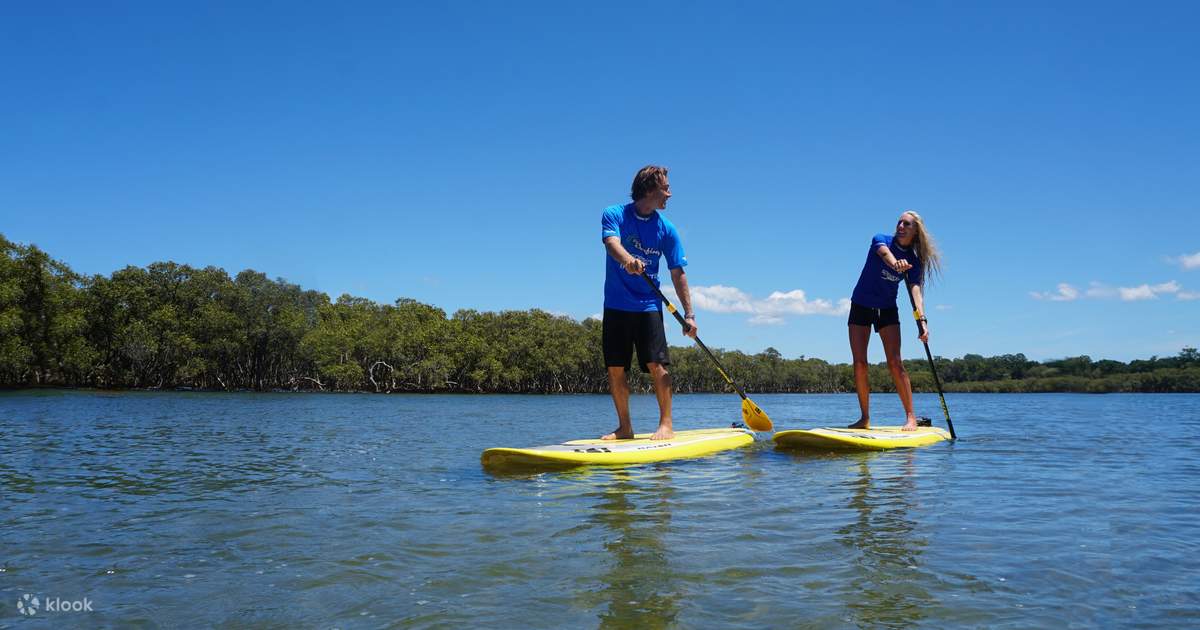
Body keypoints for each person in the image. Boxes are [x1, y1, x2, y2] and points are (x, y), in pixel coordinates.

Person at [600, 165, 698, 441]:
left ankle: (666, 424)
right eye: (665, 187)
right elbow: (611, 242)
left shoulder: (667, 230)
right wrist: (627, 260)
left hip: (648, 306)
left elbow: (678, 272)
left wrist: (689, 315)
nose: (670, 193)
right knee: (616, 367)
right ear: (649, 190)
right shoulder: (615, 213)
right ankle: (625, 428)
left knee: (658, 365)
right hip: (616, 304)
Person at [847, 210, 942, 431]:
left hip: (887, 309)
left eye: (906, 224)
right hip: (860, 304)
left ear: (915, 231)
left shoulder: (915, 261)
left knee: (895, 363)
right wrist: (896, 263)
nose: (900, 226)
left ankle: (911, 417)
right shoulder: (880, 239)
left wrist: (923, 321)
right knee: (860, 364)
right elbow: (885, 256)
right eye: (899, 222)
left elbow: (916, 290)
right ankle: (864, 418)